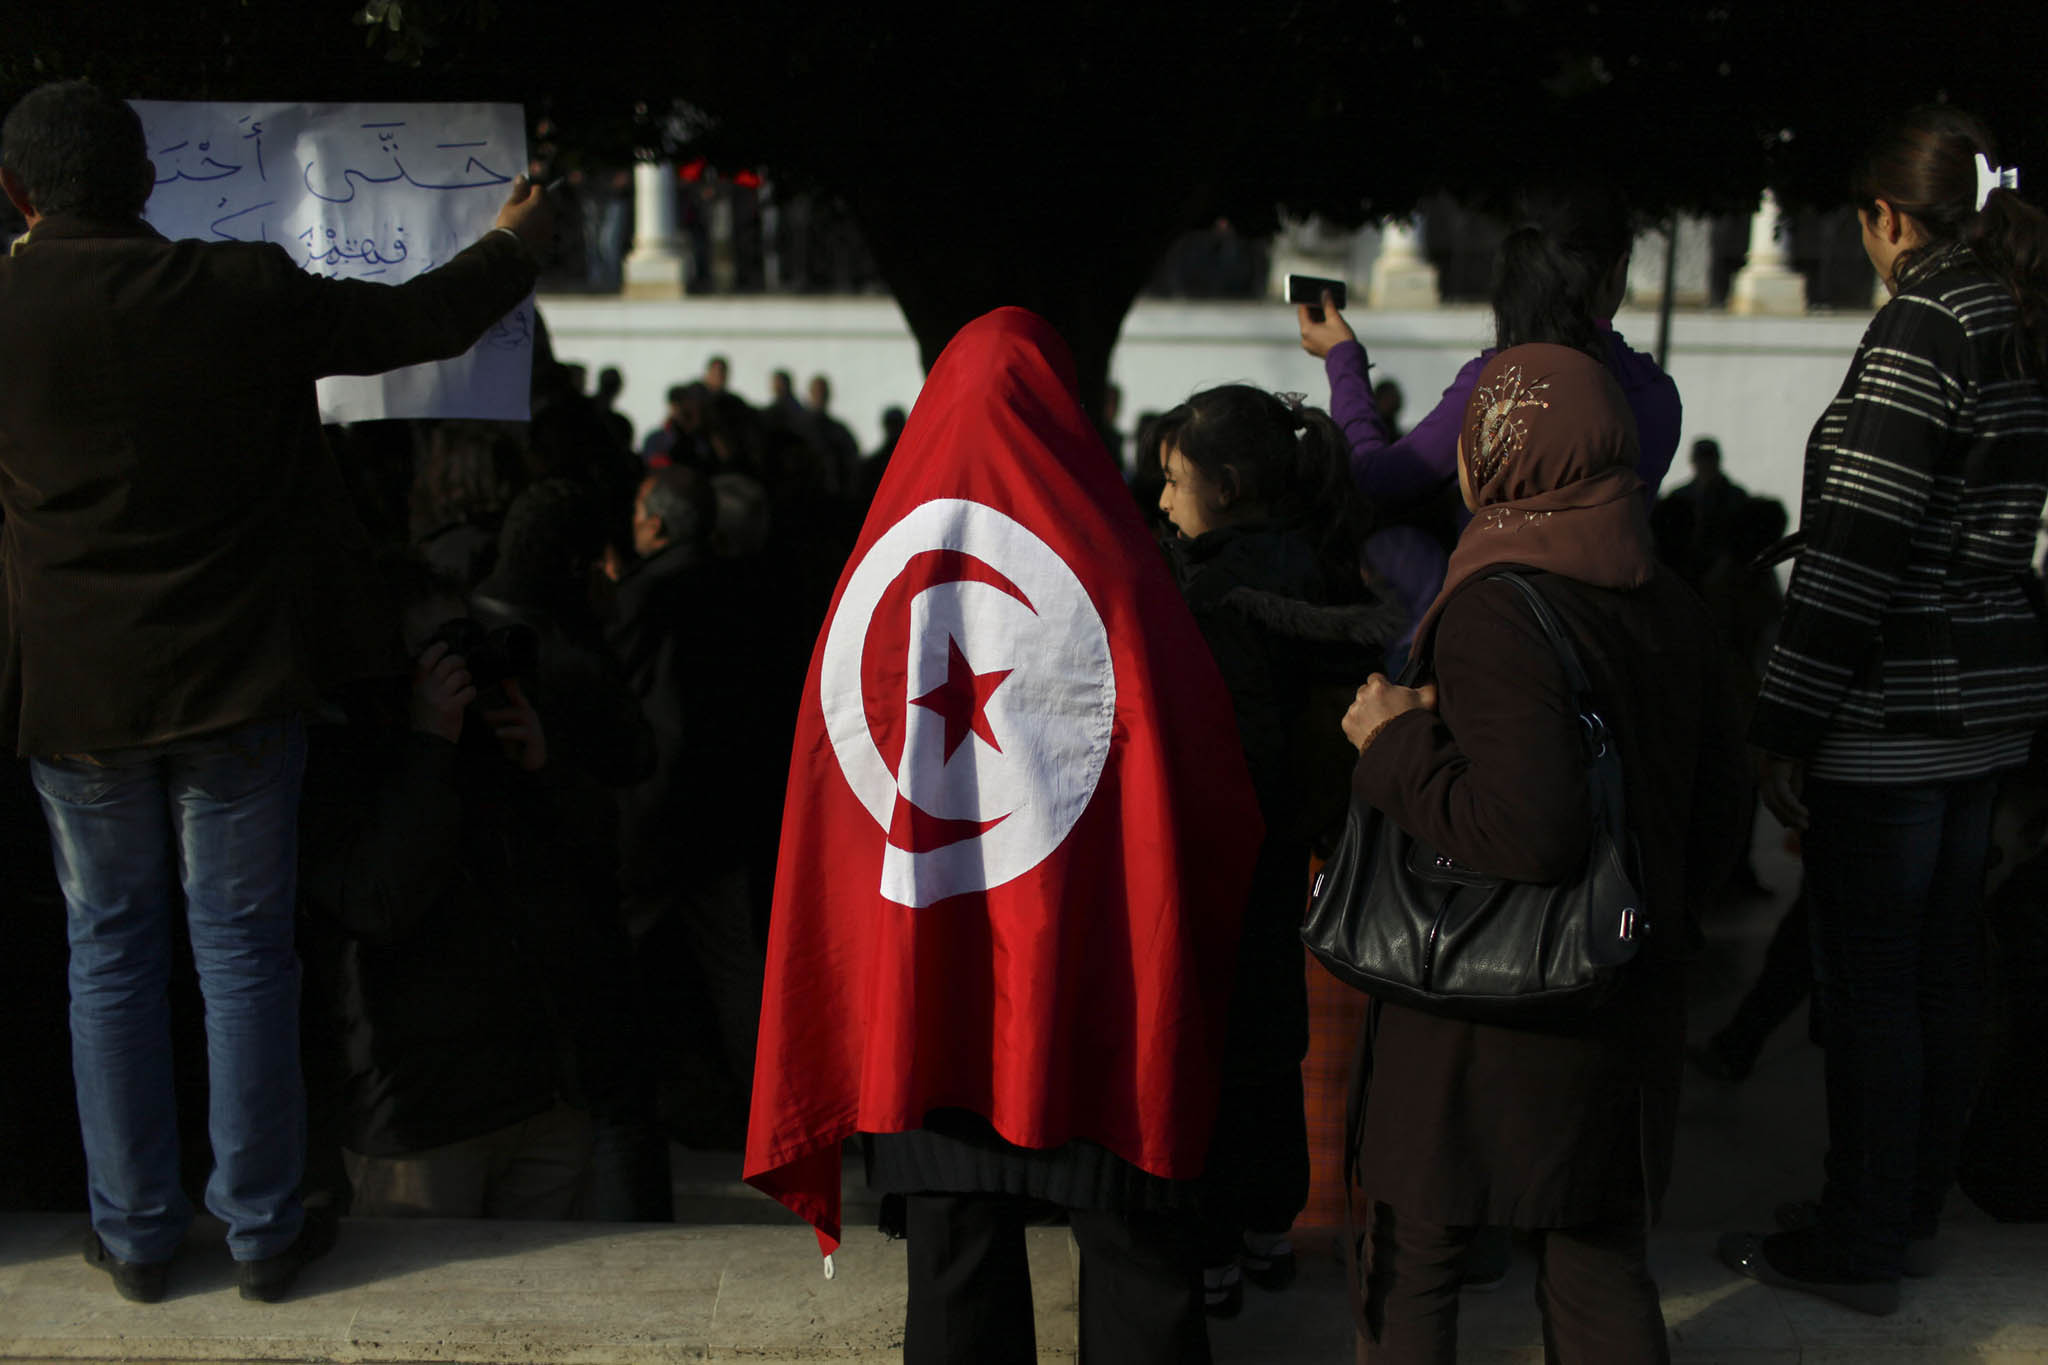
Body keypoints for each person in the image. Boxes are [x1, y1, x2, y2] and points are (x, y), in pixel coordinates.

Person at [0, 80, 550, 1304]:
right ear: (145, 180)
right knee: (242, 953)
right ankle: (259, 1229)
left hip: (78, 701)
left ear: (18, 195)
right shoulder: (235, 289)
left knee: (109, 953)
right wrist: (516, 245)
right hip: (240, 684)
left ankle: (135, 1234)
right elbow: (421, 318)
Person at [1340, 342, 1747, 1361]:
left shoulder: (1492, 608)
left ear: (1497, 459)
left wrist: (1392, 741)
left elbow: (1525, 827)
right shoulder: (1667, 603)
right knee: (1598, 1271)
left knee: (1414, 1266)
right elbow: (1717, 815)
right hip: (1614, 999)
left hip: (1480, 1017)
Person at [1719, 106, 2048, 1316]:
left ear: (1886, 217)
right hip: (1987, 701)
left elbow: (1856, 546)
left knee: (1868, 983)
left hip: (1902, 702)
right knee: (1938, 972)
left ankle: (1860, 1234)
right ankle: (1895, 1208)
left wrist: (1782, 722)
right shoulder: (2010, 314)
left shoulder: (1923, 319)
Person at [1153, 385, 1390, 1316]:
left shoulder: (1212, 596)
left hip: (1220, 850)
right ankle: (1264, 1230)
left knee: (1213, 1044)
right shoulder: (1324, 571)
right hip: (1295, 844)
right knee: (1271, 1036)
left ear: (1230, 483)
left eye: (1175, 482)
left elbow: (1230, 740)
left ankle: (1212, 1248)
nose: (1164, 503)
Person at [1299, 184, 1681, 521]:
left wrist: (1343, 358)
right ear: (1618, 272)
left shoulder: (1496, 384)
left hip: (1505, 597)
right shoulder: (1655, 392)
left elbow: (1378, 480)